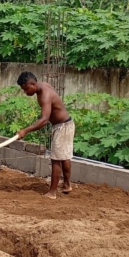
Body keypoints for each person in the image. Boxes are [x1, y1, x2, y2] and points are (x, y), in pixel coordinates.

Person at [16, 71, 74, 199]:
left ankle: (52, 192)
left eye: (26, 89)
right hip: (66, 124)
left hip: (62, 127)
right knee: (64, 156)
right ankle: (67, 185)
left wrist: (25, 130)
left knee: (56, 159)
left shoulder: (45, 95)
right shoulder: (43, 85)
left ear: (32, 83)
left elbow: (43, 120)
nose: (25, 93)